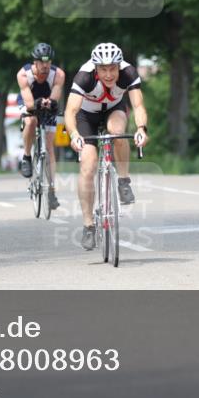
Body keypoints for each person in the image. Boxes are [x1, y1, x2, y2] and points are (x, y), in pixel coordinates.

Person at [65, 42, 149, 251]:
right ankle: (88, 226)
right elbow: (70, 111)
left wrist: (141, 128)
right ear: (96, 68)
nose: (109, 74)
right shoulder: (84, 77)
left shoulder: (128, 73)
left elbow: (138, 106)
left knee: (118, 133)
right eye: (103, 69)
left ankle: (123, 181)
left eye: (113, 69)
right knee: (88, 164)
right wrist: (74, 134)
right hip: (86, 116)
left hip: (114, 109)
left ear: (119, 66)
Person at [16, 42, 66, 211]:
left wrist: (50, 103)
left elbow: (55, 97)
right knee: (31, 121)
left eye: (48, 62)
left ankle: (51, 192)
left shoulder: (58, 74)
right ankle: (27, 156)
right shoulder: (23, 74)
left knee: (49, 148)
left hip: (46, 102)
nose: (45, 65)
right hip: (29, 100)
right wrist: (36, 105)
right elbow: (29, 103)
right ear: (35, 62)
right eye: (42, 62)